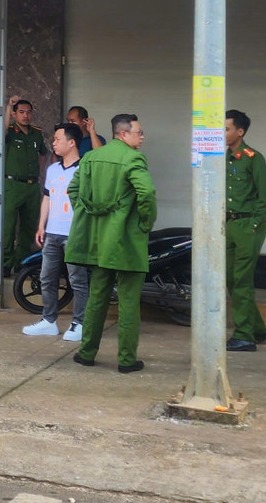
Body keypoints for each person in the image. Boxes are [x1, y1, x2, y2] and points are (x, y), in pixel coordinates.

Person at [66, 113, 157, 373]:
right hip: (127, 240)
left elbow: (73, 190)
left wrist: (89, 218)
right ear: (123, 134)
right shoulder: (133, 158)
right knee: (128, 301)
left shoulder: (91, 157)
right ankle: (126, 360)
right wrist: (145, 223)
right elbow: (147, 193)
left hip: (98, 240)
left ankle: (86, 353)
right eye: (138, 132)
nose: (142, 136)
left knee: (97, 296)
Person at [23, 123, 89, 342]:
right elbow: (47, 198)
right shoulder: (52, 169)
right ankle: (49, 321)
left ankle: (80, 324)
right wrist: (41, 225)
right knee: (47, 278)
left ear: (72, 143)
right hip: (52, 233)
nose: (54, 143)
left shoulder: (84, 170)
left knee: (77, 280)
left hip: (74, 234)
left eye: (58, 139)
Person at [224, 109, 266, 352]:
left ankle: (244, 335)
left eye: (226, 129)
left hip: (248, 226)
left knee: (242, 281)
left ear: (240, 132)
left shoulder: (254, 158)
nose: (222, 133)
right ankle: (256, 329)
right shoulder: (222, 158)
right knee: (231, 279)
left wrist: (253, 225)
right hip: (229, 224)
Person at [3, 95, 48, 277]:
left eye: (29, 112)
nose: (26, 116)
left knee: (29, 226)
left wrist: (41, 173)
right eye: (21, 112)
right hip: (12, 184)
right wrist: (9, 106)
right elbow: (1, 131)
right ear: (14, 115)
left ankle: (21, 262)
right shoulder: (10, 131)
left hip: (32, 186)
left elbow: (43, 153)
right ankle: (5, 263)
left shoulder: (36, 133)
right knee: (8, 227)